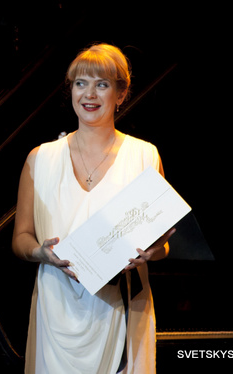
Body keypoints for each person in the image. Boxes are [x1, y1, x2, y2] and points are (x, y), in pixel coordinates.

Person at [12, 43, 175, 373]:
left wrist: (153, 252)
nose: (89, 94)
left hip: (121, 308)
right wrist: (41, 253)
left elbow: (162, 246)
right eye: (80, 83)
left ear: (121, 94)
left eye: (102, 84)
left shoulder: (145, 156)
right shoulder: (39, 158)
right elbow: (21, 238)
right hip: (56, 309)